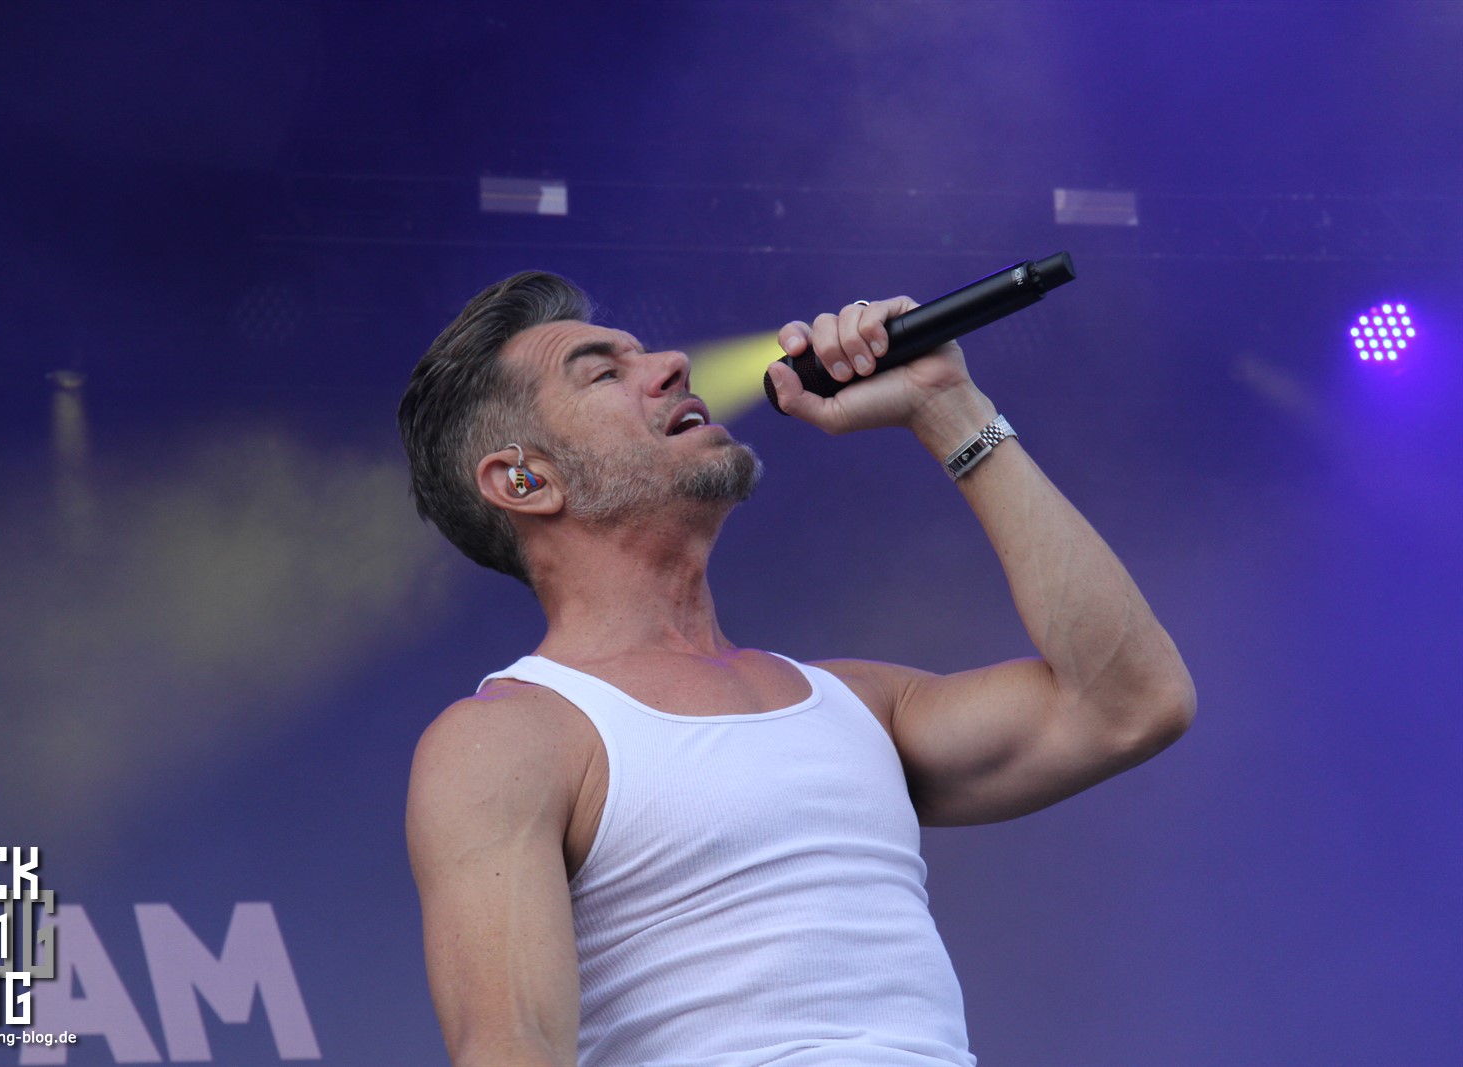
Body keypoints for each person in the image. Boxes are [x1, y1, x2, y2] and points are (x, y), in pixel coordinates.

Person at [399, 271, 1195, 1067]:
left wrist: (949, 407)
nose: (673, 364)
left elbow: (1132, 701)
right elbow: (511, 1050)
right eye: (605, 373)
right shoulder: (509, 738)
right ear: (524, 480)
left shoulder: (860, 702)